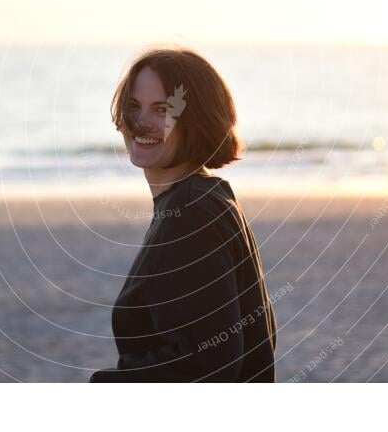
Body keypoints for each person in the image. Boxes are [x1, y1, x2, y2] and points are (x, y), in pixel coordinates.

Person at [89, 46, 277, 382]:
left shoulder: (192, 214)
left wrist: (104, 385)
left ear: (196, 121)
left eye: (162, 109)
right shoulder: (207, 195)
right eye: (134, 107)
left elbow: (212, 363)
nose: (140, 122)